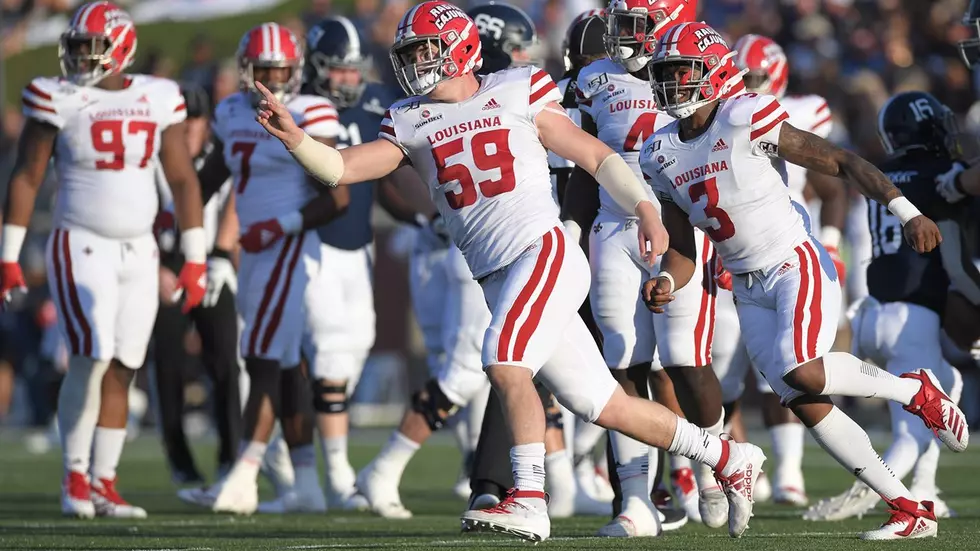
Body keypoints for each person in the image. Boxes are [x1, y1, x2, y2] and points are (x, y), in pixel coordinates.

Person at [254, 1, 764, 542]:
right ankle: (727, 455)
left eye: (427, 49)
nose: (417, 62)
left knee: (502, 358)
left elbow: (595, 156)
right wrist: (296, 140)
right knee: (603, 404)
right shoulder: (409, 119)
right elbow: (341, 168)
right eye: (411, 53)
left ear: (461, 46)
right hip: (497, 275)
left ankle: (527, 498)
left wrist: (646, 212)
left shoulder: (517, 87)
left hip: (542, 251)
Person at [639, 21, 968, 540]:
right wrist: (666, 279)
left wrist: (907, 212)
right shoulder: (658, 153)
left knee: (805, 372)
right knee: (805, 402)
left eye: (683, 72)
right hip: (744, 283)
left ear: (714, 71)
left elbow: (841, 160)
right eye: (665, 74)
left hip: (794, 260)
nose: (672, 84)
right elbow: (682, 249)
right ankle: (909, 509)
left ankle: (915, 392)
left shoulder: (744, 114)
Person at [0, 1, 208, 518]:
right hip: (80, 241)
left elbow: (182, 178)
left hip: (140, 248)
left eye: (91, 47)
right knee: (91, 352)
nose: (79, 58)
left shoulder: (158, 96)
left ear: (122, 49)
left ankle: (104, 483)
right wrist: (8, 256)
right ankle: (74, 475)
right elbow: (26, 175)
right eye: (75, 47)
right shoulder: (58, 97)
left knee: (124, 364)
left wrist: (196, 257)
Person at [564, 0, 729, 534]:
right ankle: (637, 500)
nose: (620, 37)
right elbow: (584, 168)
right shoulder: (593, 77)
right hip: (614, 229)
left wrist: (729, 238)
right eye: (618, 25)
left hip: (683, 229)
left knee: (683, 359)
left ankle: (714, 469)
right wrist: (569, 232)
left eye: (633, 25)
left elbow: (729, 154)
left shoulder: (694, 63)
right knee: (623, 359)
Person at [177, 22, 340, 515]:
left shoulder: (311, 110)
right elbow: (217, 171)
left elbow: (338, 196)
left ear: (295, 71)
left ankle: (243, 475)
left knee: (262, 359)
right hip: (253, 252)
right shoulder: (230, 111)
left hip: (287, 249)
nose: (271, 79)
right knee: (286, 365)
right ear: (246, 71)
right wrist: (175, 215)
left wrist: (281, 225)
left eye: (280, 70)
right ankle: (307, 483)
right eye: (262, 70)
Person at [804, 92, 974, 522]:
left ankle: (923, 488)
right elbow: (955, 260)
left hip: (872, 310)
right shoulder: (941, 174)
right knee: (919, 423)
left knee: (947, 382)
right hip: (911, 316)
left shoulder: (885, 172)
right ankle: (873, 490)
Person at [716, 33, 849, 507]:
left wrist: (831, 246)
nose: (744, 84)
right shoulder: (718, 118)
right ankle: (729, 467)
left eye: (752, 76)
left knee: (788, 365)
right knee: (727, 373)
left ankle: (789, 472)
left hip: (788, 246)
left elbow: (830, 182)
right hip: (730, 250)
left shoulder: (800, 111)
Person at [152, 82, 242, 486]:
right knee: (167, 367)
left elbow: (238, 197)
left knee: (225, 360)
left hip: (209, 261)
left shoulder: (218, 158)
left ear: (207, 125)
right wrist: (153, 265)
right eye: (182, 123)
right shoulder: (153, 160)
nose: (188, 131)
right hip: (165, 263)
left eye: (195, 123)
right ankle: (180, 461)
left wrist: (222, 254)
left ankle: (231, 454)